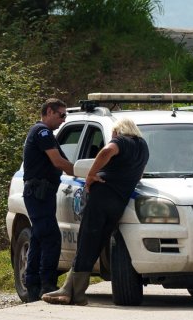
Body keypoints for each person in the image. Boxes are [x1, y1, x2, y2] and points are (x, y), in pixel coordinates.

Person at [44, 116, 150, 306]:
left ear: (118, 130)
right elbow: (139, 173)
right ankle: (70, 291)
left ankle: (76, 293)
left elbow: (107, 151)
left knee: (86, 240)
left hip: (101, 197)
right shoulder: (142, 146)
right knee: (96, 243)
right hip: (120, 202)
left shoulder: (120, 140)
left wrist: (91, 174)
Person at [20, 98, 71, 299]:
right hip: (38, 193)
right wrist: (84, 173)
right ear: (49, 111)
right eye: (61, 115)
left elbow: (63, 160)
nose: (63, 120)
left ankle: (33, 284)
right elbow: (59, 162)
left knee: (39, 238)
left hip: (42, 193)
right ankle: (47, 284)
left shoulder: (46, 133)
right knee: (50, 237)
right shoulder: (42, 131)